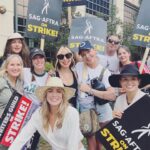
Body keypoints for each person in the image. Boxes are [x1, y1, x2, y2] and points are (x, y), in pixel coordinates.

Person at [9, 77, 85, 150]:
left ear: (63, 95)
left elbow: (73, 145)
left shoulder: (71, 113)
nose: (54, 95)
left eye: (58, 91)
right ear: (45, 95)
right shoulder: (39, 114)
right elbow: (23, 136)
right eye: (50, 91)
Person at [75, 40, 116, 150]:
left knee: (100, 143)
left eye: (88, 52)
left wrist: (90, 90)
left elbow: (112, 95)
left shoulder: (104, 71)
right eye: (83, 55)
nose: (87, 56)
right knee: (91, 142)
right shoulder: (79, 66)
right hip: (86, 110)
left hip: (102, 109)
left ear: (95, 50)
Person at [23, 48, 48, 149]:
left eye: (41, 57)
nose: (38, 60)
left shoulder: (49, 77)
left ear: (44, 59)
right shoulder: (25, 72)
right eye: (35, 58)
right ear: (31, 61)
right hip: (24, 115)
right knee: (22, 142)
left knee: (33, 143)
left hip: (39, 116)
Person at [0, 54, 24, 149]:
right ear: (6, 67)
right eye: (12, 65)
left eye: (18, 65)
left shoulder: (20, 82)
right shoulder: (1, 81)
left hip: (13, 131)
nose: (15, 68)